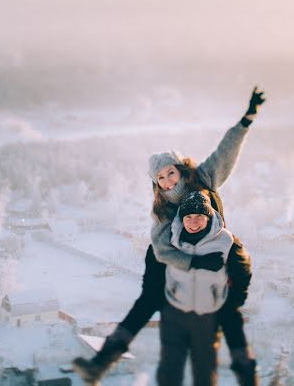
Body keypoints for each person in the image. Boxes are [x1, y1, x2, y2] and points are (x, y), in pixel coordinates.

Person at [72, 88, 264, 385]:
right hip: (172, 257)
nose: (166, 180)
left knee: (228, 311)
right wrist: (191, 264)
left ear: (181, 169)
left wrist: (246, 120)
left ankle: (247, 375)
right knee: (147, 302)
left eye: (170, 173)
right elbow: (162, 250)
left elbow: (224, 153)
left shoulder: (204, 178)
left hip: (211, 246)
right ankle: (101, 363)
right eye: (160, 178)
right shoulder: (162, 210)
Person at [157, 190, 241, 386]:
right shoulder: (171, 240)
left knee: (204, 369)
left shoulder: (226, 241)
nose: (193, 222)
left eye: (199, 217)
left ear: (209, 216)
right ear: (182, 218)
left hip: (208, 315)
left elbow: (238, 274)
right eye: (189, 217)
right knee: (170, 369)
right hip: (175, 311)